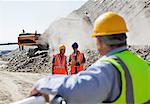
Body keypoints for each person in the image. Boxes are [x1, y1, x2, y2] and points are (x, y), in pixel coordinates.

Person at [30, 12, 150, 104]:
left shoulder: (109, 68)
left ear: (99, 40)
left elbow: (76, 90)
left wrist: (43, 83)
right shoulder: (143, 64)